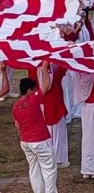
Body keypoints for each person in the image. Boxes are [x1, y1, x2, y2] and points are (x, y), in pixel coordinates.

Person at [12, 63, 58, 193]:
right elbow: (46, 83)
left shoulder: (15, 106)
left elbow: (17, 125)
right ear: (29, 91)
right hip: (39, 140)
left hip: (25, 141)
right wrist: (44, 67)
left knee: (34, 169)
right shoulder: (34, 99)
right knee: (49, 169)